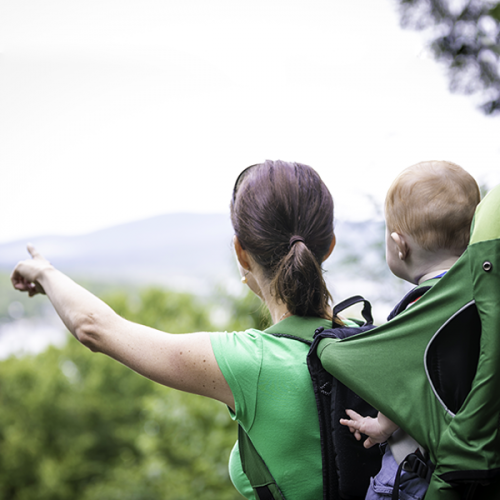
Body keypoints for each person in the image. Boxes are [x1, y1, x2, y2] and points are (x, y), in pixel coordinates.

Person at [11, 160, 341, 499]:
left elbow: (94, 328)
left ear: (241, 253)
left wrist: (45, 273)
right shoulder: (369, 338)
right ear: (329, 245)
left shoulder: (251, 362)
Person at [340, 160, 481, 500]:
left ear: (399, 245)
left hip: (414, 475)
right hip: (472, 465)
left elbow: (402, 382)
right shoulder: (483, 298)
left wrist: (380, 427)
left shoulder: (419, 310)